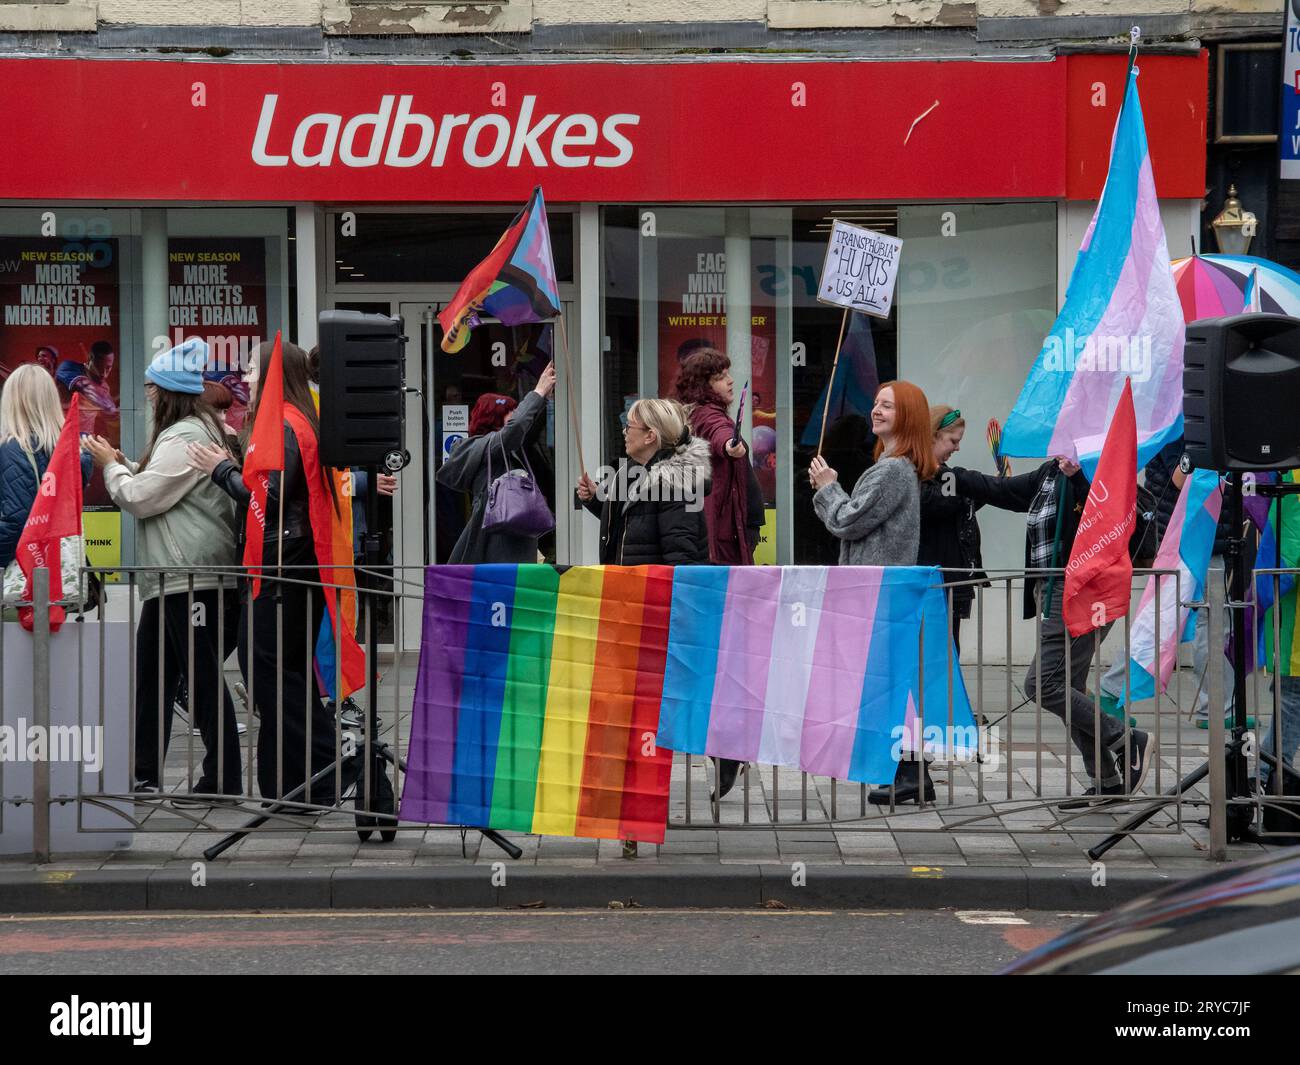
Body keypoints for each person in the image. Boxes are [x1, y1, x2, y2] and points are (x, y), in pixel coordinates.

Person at [187, 339, 366, 807]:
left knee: (275, 681)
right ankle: (295, 787)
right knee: (287, 680)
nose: (244, 378)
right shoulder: (298, 419)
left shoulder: (285, 424)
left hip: (281, 572)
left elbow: (267, 498)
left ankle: (344, 769)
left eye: (250, 369)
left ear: (270, 375)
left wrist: (223, 470)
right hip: (294, 568)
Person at [83, 339, 242, 797]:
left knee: (201, 675)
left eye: (152, 387)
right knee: (154, 676)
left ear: (167, 392)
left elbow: (140, 497)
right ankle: (144, 771)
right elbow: (160, 484)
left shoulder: (187, 435)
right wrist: (121, 462)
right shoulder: (193, 432)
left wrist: (114, 469)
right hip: (173, 577)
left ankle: (221, 778)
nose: (147, 394)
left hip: (189, 576)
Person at [952, 457, 1155, 807]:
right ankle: (1106, 779)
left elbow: (1106, 517)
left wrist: (1078, 479)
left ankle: (1125, 738)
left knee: (1042, 685)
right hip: (1052, 590)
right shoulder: (1049, 473)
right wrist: (952, 475)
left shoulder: (1096, 471)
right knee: (1068, 687)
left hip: (1080, 591)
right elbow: (1000, 490)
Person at [808, 380, 936, 804]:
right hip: (880, 591)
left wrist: (827, 486)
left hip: (879, 593)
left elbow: (846, 520)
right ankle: (911, 775)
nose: (876, 411)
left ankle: (910, 774)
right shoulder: (894, 468)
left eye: (888, 406)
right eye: (876, 403)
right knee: (892, 683)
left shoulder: (893, 470)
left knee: (889, 684)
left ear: (908, 418)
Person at [437, 363, 556, 564]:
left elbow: (523, 428)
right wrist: (538, 392)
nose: (516, 414)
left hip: (511, 538)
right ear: (494, 417)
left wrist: (546, 400)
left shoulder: (504, 449)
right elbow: (516, 427)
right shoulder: (483, 447)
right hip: (497, 543)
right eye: (511, 411)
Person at [576, 397, 709, 566]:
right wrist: (596, 498)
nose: (624, 432)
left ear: (650, 436)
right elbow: (632, 519)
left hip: (654, 590)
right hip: (632, 587)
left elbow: (680, 559)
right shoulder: (635, 472)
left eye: (629, 427)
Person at [0, 364, 93, 571]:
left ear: (12, 401)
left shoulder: (14, 448)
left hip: (26, 571)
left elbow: (16, 520)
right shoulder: (74, 449)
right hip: (61, 567)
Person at [918, 406, 986, 654]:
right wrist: (971, 485)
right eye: (953, 441)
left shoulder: (941, 476)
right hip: (936, 578)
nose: (957, 448)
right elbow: (944, 504)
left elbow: (958, 506)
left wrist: (982, 490)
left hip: (949, 579)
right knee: (939, 652)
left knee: (947, 649)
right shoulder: (920, 473)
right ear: (934, 435)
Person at [674, 348, 752, 565]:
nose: (730, 381)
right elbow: (719, 432)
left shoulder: (694, 414)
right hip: (718, 535)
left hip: (713, 530)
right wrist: (730, 446)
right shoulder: (707, 415)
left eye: (728, 374)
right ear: (702, 386)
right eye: (720, 377)